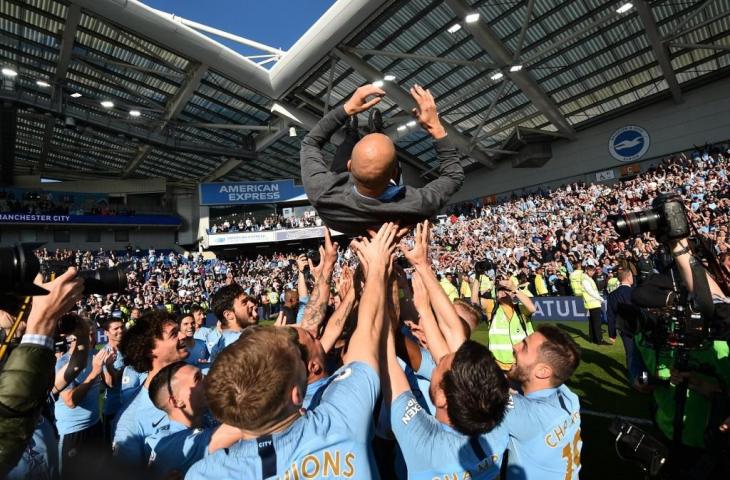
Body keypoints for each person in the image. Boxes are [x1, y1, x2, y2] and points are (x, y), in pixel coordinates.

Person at [186, 223, 399, 479]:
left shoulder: (206, 473)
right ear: (297, 395)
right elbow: (370, 331)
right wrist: (376, 267)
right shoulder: (340, 417)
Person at [300, 84, 464, 236]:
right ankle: (376, 132)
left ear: (350, 166)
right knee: (381, 153)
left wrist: (346, 109)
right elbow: (453, 177)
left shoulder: (322, 194)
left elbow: (310, 143)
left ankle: (352, 134)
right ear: (395, 173)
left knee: (347, 148)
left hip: (344, 200)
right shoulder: (416, 205)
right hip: (378, 193)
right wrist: (436, 127)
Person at [0, 268, 83, 477]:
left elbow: (68, 374)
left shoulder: (40, 390)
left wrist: (84, 340)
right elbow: (14, 398)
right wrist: (42, 321)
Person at [112, 311, 190, 469]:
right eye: (174, 334)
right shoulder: (130, 421)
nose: (183, 336)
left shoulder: (200, 381)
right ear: (150, 350)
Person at [503, 325, 583, 479]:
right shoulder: (569, 397)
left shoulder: (528, 416)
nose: (515, 346)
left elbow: (466, 379)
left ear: (542, 372)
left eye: (524, 347)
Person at [53, 317, 110, 479]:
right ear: (73, 337)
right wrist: (94, 373)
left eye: (92, 334)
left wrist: (109, 367)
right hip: (73, 431)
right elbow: (70, 401)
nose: (91, 338)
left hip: (95, 424)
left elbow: (108, 385)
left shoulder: (94, 355)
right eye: (86, 334)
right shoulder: (64, 362)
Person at [146, 362, 214, 478]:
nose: (207, 379)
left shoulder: (208, 416)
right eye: (197, 378)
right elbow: (234, 431)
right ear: (176, 401)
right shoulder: (168, 444)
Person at [485, 279, 536, 372]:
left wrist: (515, 289)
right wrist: (477, 276)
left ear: (513, 294)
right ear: (496, 294)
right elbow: (474, 301)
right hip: (498, 365)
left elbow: (532, 309)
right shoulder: (492, 309)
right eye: (500, 290)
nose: (503, 292)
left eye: (507, 290)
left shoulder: (520, 309)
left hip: (522, 363)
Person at [208, 284, 258, 362]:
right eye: (244, 303)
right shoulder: (244, 343)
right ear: (229, 315)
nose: (251, 304)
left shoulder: (218, 345)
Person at [101, 317, 125, 446]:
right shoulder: (105, 353)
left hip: (130, 405)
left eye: (122, 327)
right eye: (116, 328)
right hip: (114, 408)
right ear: (106, 332)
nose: (120, 330)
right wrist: (109, 366)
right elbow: (110, 384)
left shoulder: (128, 349)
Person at [581, 264, 605, 345]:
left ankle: (592, 339)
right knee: (597, 323)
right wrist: (600, 298)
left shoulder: (588, 278)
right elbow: (590, 291)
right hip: (593, 302)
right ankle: (599, 340)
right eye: (590, 271)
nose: (592, 272)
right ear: (586, 270)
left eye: (593, 271)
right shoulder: (585, 279)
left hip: (592, 302)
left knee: (592, 322)